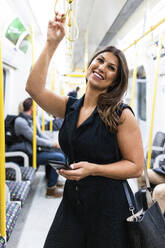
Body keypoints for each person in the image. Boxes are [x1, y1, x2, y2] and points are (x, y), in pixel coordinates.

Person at [26, 13, 144, 248]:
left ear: (114, 81)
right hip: (74, 202)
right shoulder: (70, 107)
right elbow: (34, 88)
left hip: (108, 209)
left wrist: (94, 169)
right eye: (99, 60)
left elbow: (136, 166)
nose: (102, 67)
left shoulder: (121, 115)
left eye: (111, 68)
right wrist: (51, 43)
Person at [9, 97, 66, 198]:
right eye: (37, 108)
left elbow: (41, 135)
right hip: (27, 154)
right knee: (59, 158)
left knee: (58, 151)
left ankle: (51, 178)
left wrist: (54, 143)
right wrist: (52, 144)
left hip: (34, 150)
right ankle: (51, 190)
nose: (38, 110)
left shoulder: (32, 119)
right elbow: (35, 139)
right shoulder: (20, 121)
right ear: (32, 108)